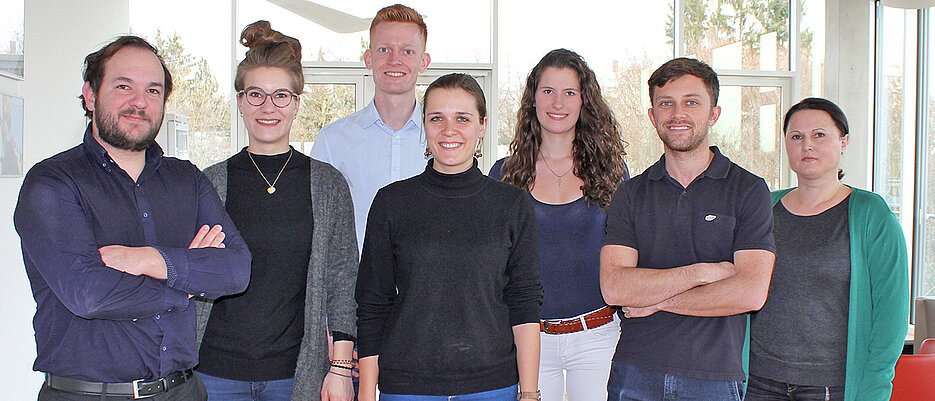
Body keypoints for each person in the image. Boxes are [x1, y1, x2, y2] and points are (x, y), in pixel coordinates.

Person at [14, 36, 252, 401]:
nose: (139, 102)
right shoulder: (52, 183)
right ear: (91, 95)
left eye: (153, 91)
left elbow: (236, 270)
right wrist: (187, 280)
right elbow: (89, 295)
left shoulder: (187, 179)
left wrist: (149, 260)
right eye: (124, 86)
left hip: (184, 390)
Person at [193, 21, 358, 401]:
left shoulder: (328, 185)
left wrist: (340, 368)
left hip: (296, 375)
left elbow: (342, 281)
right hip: (215, 374)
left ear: (297, 103)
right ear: (239, 101)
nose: (268, 107)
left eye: (281, 95)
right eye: (256, 94)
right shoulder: (208, 183)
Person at [355, 73, 543, 401]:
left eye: (463, 118)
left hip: (491, 386)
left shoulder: (511, 204)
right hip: (406, 387)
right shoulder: (391, 203)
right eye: (437, 118)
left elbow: (524, 304)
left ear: (482, 126)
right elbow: (373, 303)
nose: (449, 130)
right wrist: (367, 394)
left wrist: (529, 394)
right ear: (424, 124)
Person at [599, 57, 776, 401]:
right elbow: (615, 287)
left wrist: (656, 302)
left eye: (691, 102)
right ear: (653, 116)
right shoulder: (632, 193)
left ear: (713, 114)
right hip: (635, 374)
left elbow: (750, 292)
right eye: (666, 103)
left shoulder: (748, 189)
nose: (677, 114)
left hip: (713, 378)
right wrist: (702, 272)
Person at [746, 98, 909, 401]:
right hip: (758, 382)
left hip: (833, 385)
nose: (807, 145)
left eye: (819, 135)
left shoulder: (871, 214)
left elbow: (892, 316)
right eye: (796, 137)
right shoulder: (762, 208)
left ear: (843, 141)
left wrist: (874, 385)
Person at [489, 49, 628, 401]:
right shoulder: (504, 174)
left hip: (598, 337)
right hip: (527, 340)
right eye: (548, 90)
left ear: (584, 101)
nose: (558, 102)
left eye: (570, 92)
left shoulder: (613, 172)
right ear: (533, 98)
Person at [310, 3, 431, 254]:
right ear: (368, 58)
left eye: (407, 51)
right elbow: (317, 227)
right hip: (355, 289)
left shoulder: (444, 140)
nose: (395, 60)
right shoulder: (333, 141)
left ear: (424, 61)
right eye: (384, 49)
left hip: (429, 288)